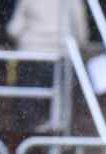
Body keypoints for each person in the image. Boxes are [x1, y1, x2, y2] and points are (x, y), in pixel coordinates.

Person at [6, 0, 89, 131]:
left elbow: (14, 29)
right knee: (62, 108)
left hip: (31, 56)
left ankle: (32, 140)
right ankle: (59, 139)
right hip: (61, 58)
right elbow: (82, 35)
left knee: (29, 110)